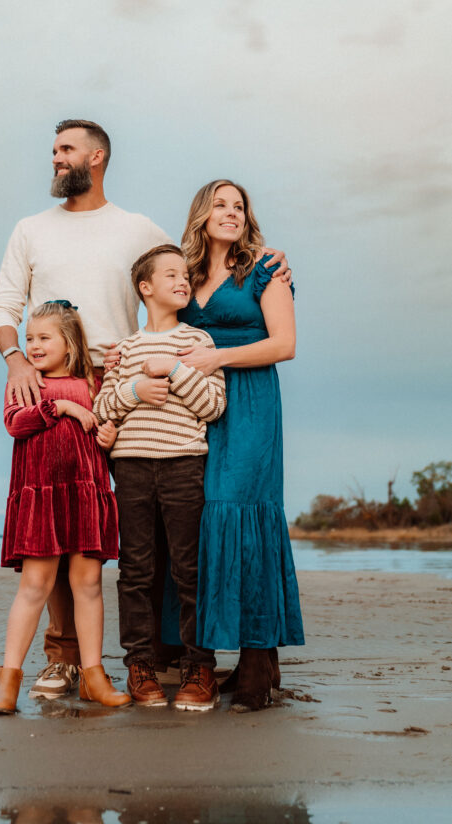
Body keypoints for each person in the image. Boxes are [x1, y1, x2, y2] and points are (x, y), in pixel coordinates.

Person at [0, 118, 290, 697]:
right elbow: (5, 304)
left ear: (96, 157)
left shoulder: (137, 230)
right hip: (55, 379)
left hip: (125, 376)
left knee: (146, 529)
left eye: (65, 149)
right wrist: (15, 360)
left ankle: (165, 653)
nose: (55, 158)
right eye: (53, 149)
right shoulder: (30, 229)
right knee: (60, 515)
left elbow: (194, 266)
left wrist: (260, 252)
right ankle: (66, 655)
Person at [177, 179, 305, 711]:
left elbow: (285, 344)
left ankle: (257, 658)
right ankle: (229, 656)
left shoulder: (265, 269)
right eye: (220, 205)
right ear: (202, 215)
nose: (230, 213)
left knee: (243, 511)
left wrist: (218, 359)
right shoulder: (182, 274)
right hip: (196, 405)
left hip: (250, 403)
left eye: (239, 206)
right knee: (205, 515)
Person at [93, 245, 226, 710]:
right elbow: (102, 410)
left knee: (189, 569)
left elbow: (213, 405)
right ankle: (140, 665)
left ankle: (199, 667)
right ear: (145, 288)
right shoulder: (124, 350)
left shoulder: (198, 342)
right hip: (130, 468)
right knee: (137, 572)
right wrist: (134, 388)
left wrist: (176, 370)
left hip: (184, 464)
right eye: (170, 274)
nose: (183, 280)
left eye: (185, 274)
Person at [0, 300, 130, 713]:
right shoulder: (25, 381)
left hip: (86, 494)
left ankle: (93, 676)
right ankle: (8, 679)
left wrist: (108, 436)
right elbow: (16, 422)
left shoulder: (92, 382)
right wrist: (61, 407)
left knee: (87, 586)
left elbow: (107, 426)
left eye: (43, 337)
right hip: (42, 498)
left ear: (69, 343)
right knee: (35, 586)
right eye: (29, 338)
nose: (33, 345)